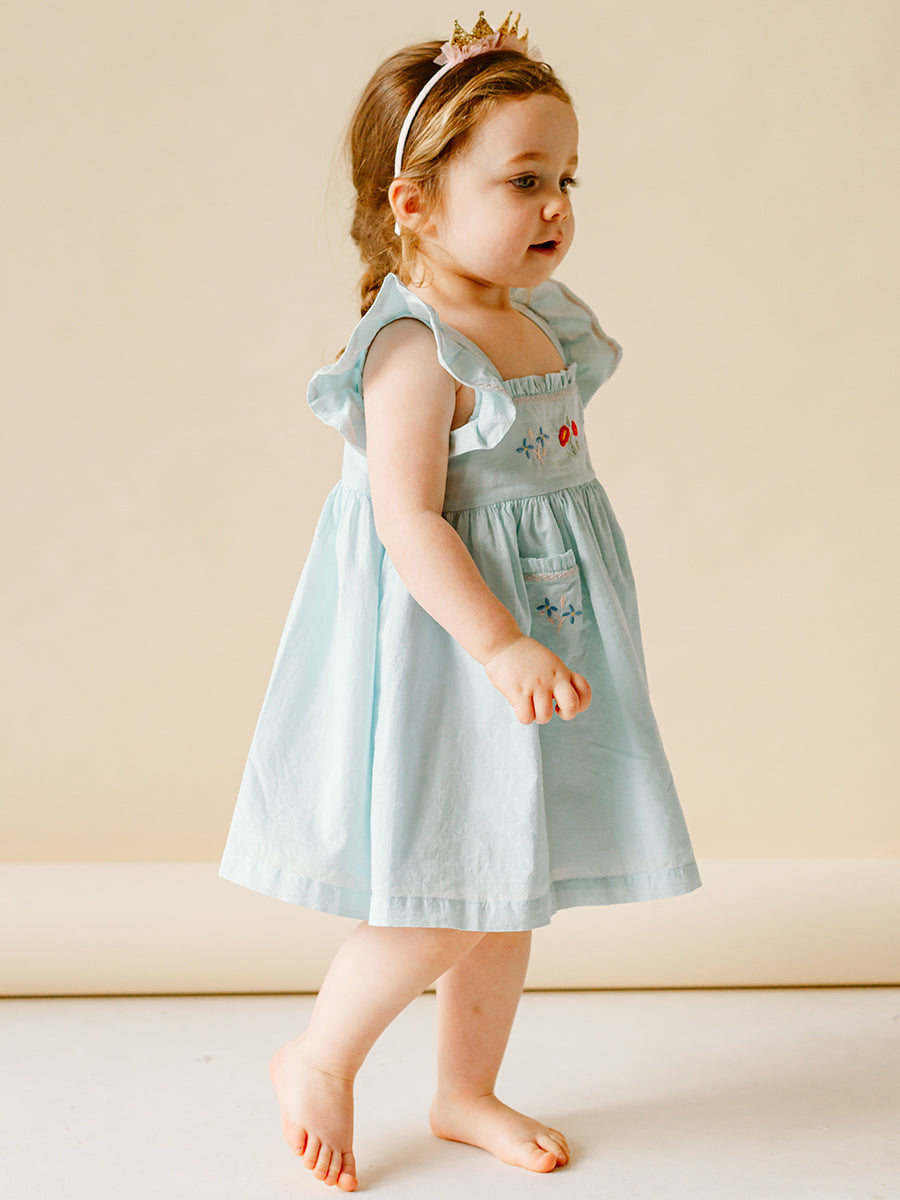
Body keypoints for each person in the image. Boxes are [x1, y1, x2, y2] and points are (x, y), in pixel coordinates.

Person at [220, 11, 701, 1192]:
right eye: (523, 180)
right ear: (417, 205)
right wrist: (499, 644)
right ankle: (319, 1055)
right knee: (450, 880)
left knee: (508, 881)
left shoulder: (540, 321)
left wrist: (545, 639)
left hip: (541, 640)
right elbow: (409, 521)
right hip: (453, 649)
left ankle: (464, 1089)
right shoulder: (418, 348)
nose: (555, 206)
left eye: (566, 179)